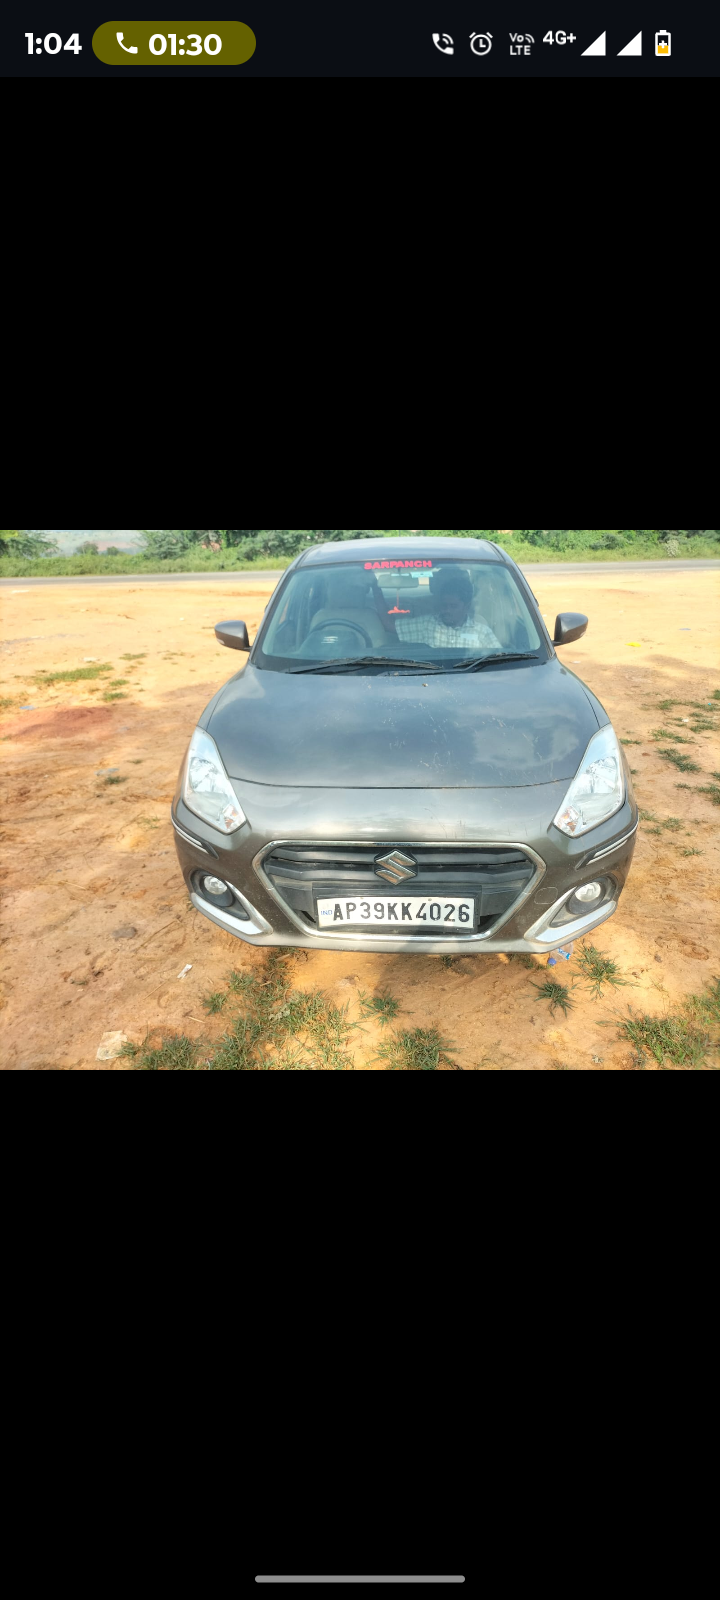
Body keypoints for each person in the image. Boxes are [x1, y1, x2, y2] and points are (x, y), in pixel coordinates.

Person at [391, 567, 501, 650]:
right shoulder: (427, 624)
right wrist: (375, 588)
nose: (447, 610)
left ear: (466, 607)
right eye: (444, 605)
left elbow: (500, 661)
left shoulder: (482, 632)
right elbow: (388, 624)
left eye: (453, 606)